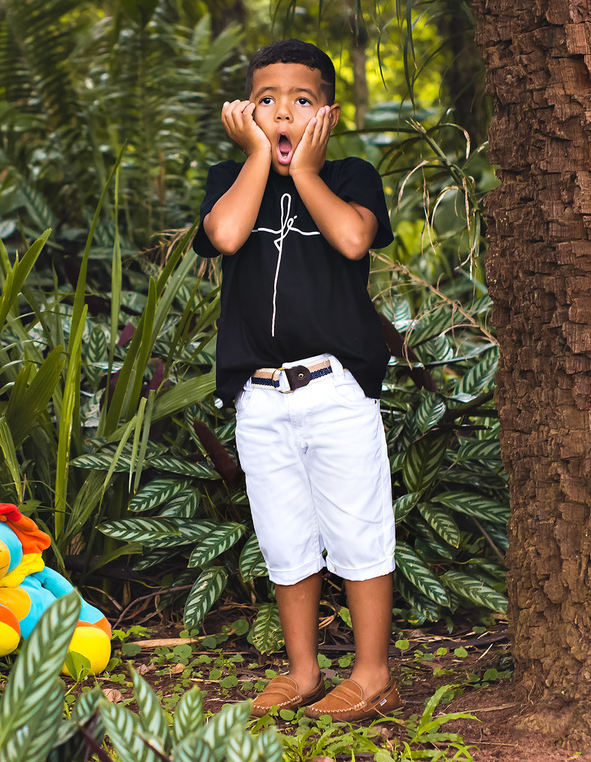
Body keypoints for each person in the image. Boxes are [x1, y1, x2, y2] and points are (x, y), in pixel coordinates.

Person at [192, 39, 398, 722]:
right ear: (247, 113)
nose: (284, 112)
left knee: (358, 529)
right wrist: (257, 157)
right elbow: (224, 235)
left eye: (301, 101)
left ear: (328, 116)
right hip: (261, 394)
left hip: (334, 389)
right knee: (283, 535)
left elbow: (351, 239)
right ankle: (303, 670)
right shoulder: (233, 175)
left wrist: (306, 170)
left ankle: (372, 675)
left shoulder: (349, 177)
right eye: (268, 101)